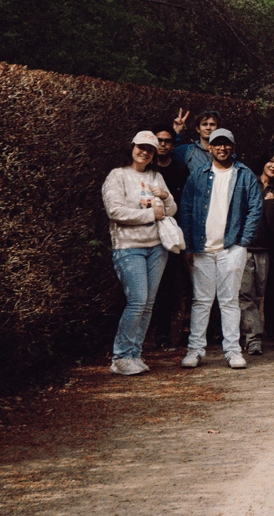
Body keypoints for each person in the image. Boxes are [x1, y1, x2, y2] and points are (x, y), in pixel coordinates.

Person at [177, 128, 263, 370]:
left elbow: (255, 209)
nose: (222, 148)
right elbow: (185, 210)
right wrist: (188, 246)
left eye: (227, 144)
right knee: (201, 301)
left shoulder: (244, 174)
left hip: (232, 248)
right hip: (202, 249)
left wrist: (242, 242)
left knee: (229, 301)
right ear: (210, 148)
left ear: (233, 147)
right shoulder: (197, 175)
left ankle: (233, 351)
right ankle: (195, 350)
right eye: (217, 144)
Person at [102, 131, 176, 375]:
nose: (145, 152)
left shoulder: (156, 176)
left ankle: (135, 354)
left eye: (150, 149)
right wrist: (149, 215)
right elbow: (115, 211)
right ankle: (121, 356)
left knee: (147, 305)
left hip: (156, 247)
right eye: (141, 147)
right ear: (132, 147)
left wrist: (166, 197)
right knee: (136, 302)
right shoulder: (118, 175)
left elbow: (171, 209)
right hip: (128, 247)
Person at [239, 147, 274, 356]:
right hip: (244, 247)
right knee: (244, 294)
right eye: (271, 161)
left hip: (264, 249)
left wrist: (270, 205)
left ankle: (251, 335)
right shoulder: (248, 182)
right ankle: (252, 339)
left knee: (257, 295)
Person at [149, 123, 191, 350]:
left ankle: (163, 334)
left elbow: (185, 205)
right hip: (146, 233)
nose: (163, 145)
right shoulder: (146, 169)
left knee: (168, 287)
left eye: (167, 141)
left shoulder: (180, 170)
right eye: (159, 141)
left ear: (173, 145)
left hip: (172, 235)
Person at [171, 108, 219, 172]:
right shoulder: (186, 150)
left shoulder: (224, 151)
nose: (208, 128)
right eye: (204, 124)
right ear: (198, 129)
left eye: (212, 124)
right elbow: (167, 156)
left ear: (217, 128)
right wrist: (177, 133)